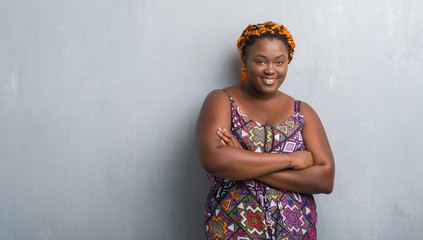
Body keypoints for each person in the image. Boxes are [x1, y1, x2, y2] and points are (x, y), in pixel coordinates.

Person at [196, 21, 335, 240]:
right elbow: (214, 160)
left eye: (279, 62)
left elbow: (325, 180)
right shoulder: (222, 100)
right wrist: (291, 160)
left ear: (287, 62)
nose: (270, 70)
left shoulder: (302, 112)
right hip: (232, 229)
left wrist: (244, 160)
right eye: (261, 61)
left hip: (296, 232)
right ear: (245, 60)